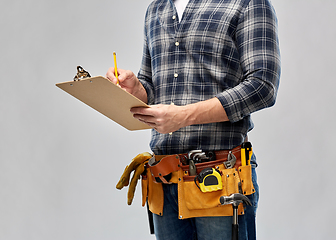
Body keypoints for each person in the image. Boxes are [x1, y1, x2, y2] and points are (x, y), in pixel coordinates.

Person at [106, 0, 280, 239]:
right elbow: (154, 87)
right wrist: (137, 89)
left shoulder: (247, 3)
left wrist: (184, 116)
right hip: (163, 181)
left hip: (220, 181)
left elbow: (263, 86)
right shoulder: (156, 9)